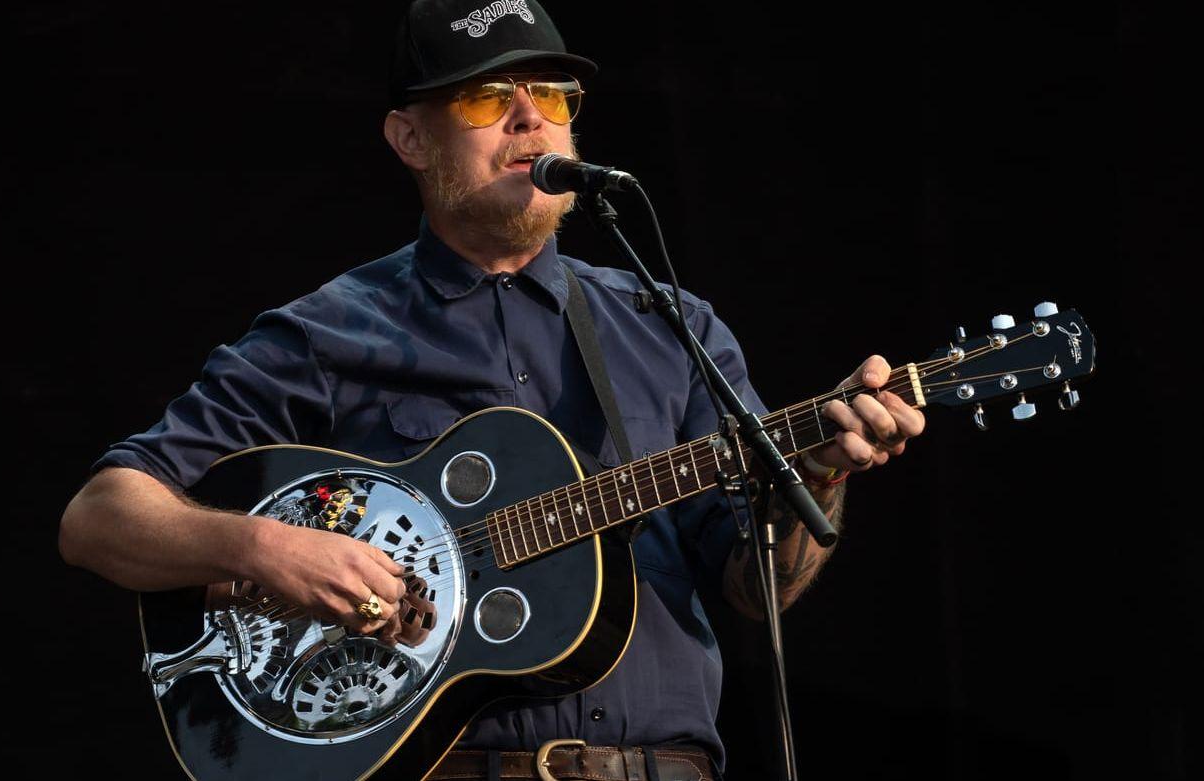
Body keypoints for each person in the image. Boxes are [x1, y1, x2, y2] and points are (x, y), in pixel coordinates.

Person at [58, 1, 925, 779]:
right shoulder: (327, 332)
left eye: (551, 95)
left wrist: (815, 474)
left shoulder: (674, 326)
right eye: (487, 99)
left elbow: (755, 587)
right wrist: (269, 551)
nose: (529, 119)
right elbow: (99, 517)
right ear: (409, 138)